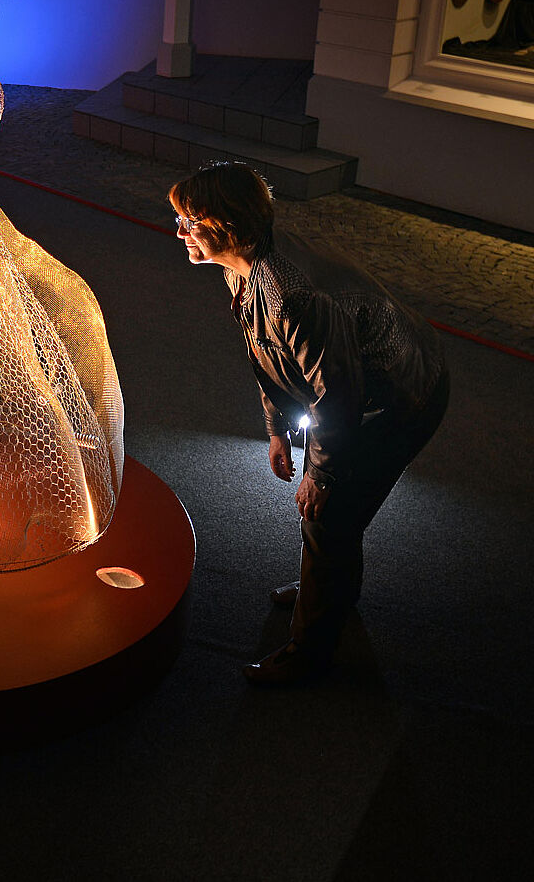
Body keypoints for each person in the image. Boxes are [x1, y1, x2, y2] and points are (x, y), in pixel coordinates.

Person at [168, 161, 448, 686]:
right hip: (364, 391)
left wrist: (321, 474)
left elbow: (337, 395)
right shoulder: (243, 266)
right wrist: (276, 428)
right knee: (334, 519)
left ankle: (310, 653)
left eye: (190, 221)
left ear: (227, 225)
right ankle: (330, 590)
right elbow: (268, 355)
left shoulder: (291, 293)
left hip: (402, 397)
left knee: (327, 514)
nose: (179, 231)